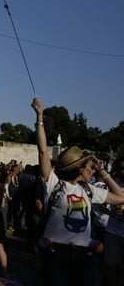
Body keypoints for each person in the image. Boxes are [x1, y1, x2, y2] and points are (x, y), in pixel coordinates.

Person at [31, 98, 124, 286]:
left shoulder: (90, 190)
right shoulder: (55, 184)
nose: (93, 169)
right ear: (78, 168)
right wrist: (40, 117)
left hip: (84, 256)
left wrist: (103, 171)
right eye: (90, 166)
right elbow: (42, 152)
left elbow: (121, 197)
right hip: (56, 254)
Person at [103, 156, 124, 286]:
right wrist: (110, 212)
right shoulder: (112, 184)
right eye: (122, 168)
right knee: (110, 265)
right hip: (113, 232)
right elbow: (100, 205)